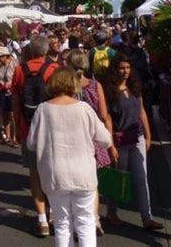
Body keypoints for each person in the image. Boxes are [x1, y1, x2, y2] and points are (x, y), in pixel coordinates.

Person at [27, 67, 112, 247]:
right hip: (83, 172)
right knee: (86, 221)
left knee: (62, 222)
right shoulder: (84, 108)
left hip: (55, 174)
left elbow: (31, 143)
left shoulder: (43, 110)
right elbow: (105, 139)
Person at [104, 54, 163, 230]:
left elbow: (142, 111)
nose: (125, 71)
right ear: (115, 69)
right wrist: (110, 144)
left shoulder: (134, 87)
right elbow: (107, 118)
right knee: (118, 178)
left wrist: (148, 134)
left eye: (128, 68)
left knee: (141, 178)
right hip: (120, 138)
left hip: (136, 136)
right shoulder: (110, 91)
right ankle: (112, 212)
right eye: (122, 68)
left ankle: (147, 217)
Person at [12, 35, 58, 237]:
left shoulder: (19, 70)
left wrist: (16, 125)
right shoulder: (54, 69)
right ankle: (54, 213)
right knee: (53, 172)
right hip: (52, 130)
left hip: (28, 127)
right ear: (47, 50)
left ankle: (41, 219)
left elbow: (15, 102)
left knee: (35, 173)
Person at [66, 49, 112, 235]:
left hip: (72, 140)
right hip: (92, 139)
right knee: (92, 185)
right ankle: (95, 219)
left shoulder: (67, 88)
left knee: (73, 185)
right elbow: (103, 114)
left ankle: (77, 222)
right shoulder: (95, 85)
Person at [0, 46, 18, 148]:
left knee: (13, 116)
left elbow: (15, 78)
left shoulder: (14, 64)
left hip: (13, 92)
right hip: (4, 92)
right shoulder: (0, 67)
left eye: (0, 57)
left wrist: (10, 84)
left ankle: (15, 137)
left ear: (5, 56)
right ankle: (7, 137)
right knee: (5, 114)